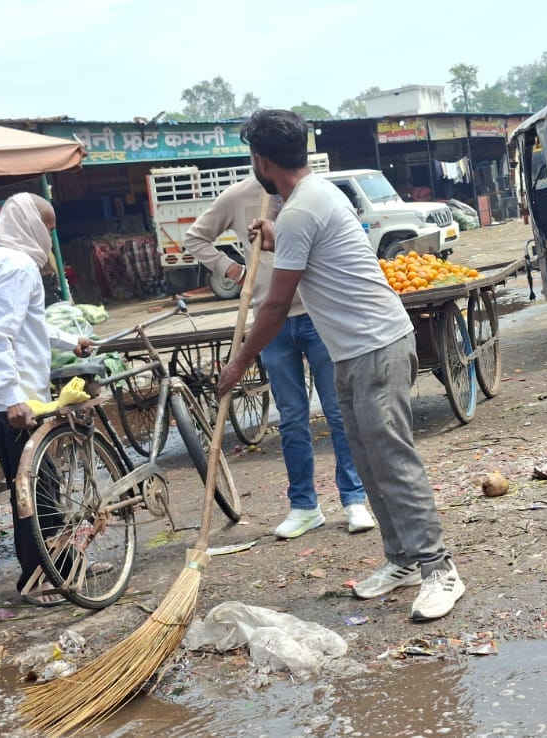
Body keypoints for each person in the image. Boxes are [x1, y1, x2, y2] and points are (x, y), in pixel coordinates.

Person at [216, 109, 465, 622]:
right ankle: (401, 560)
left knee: (392, 460)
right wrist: (274, 235)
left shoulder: (304, 209)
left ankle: (440, 569)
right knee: (370, 461)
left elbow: (277, 305)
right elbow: (304, 246)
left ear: (262, 161)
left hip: (376, 345)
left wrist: (240, 361)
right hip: (351, 351)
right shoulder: (306, 202)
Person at [180, 176, 376, 540]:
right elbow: (194, 237)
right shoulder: (240, 196)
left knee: (338, 412)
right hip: (271, 322)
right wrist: (232, 270)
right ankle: (304, 506)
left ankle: (354, 499)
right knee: (291, 419)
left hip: (320, 314)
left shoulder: (308, 194)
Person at [0, 192, 93, 606]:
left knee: (41, 485)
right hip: (6, 401)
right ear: (31, 225)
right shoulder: (16, 266)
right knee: (32, 489)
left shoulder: (2, 258)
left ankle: (63, 565)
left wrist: (72, 342)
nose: (51, 236)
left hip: (7, 395)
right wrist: (13, 398)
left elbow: (27, 326)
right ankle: (35, 578)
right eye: (48, 227)